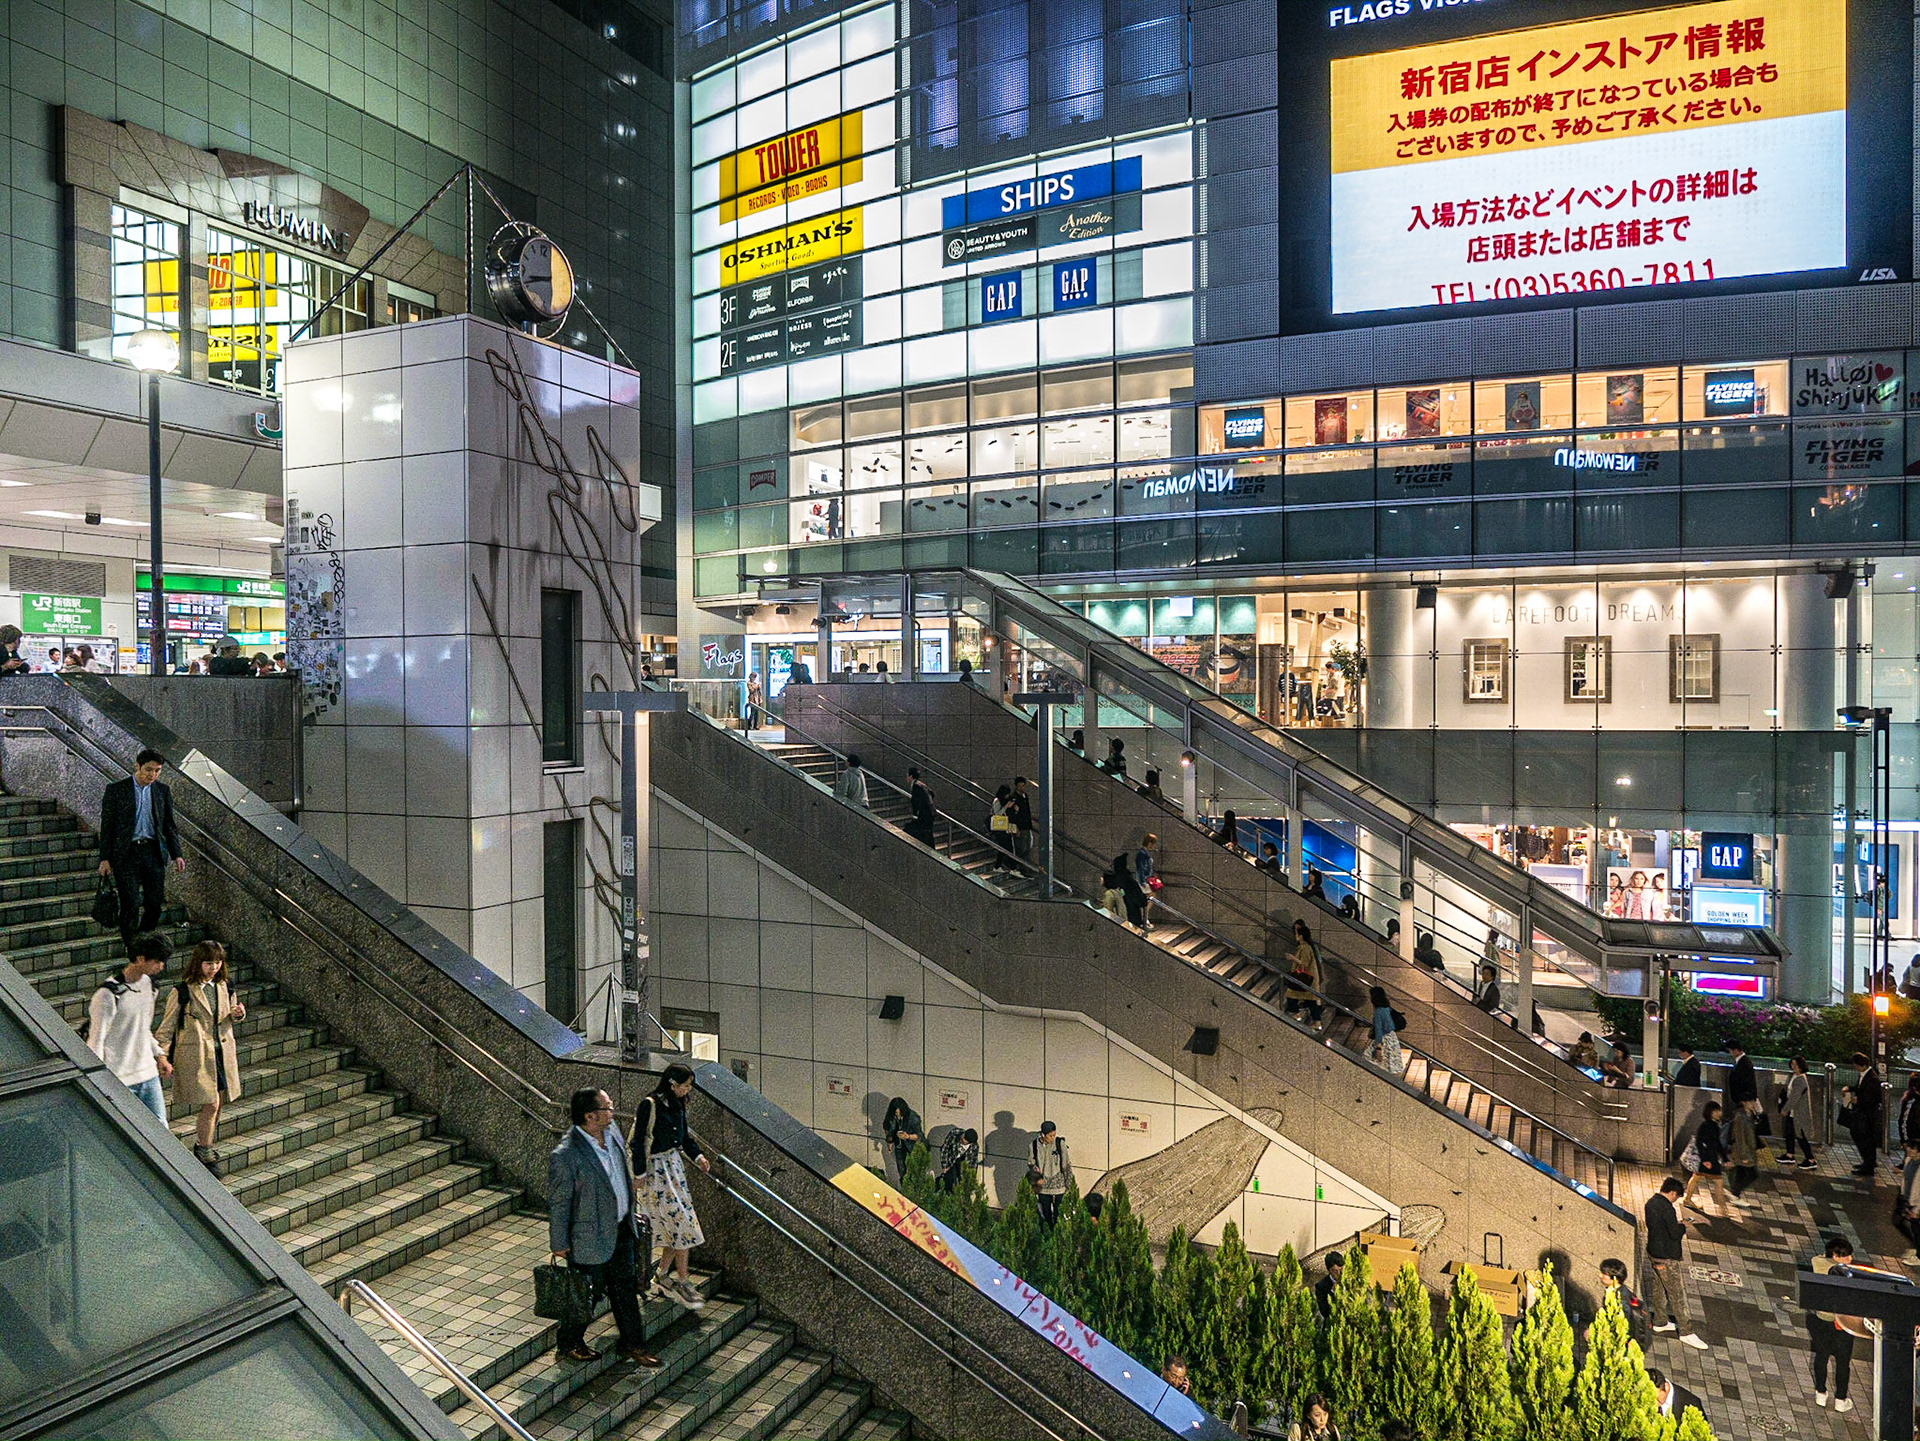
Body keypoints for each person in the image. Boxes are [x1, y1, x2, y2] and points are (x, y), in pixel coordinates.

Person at [548, 1087, 661, 1366]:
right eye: (607, 1108)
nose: (612, 1112)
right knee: (588, 1293)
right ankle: (569, 1342)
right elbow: (560, 1202)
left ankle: (634, 1345)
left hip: (622, 1227)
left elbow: (621, 1174)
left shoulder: (612, 1134)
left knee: (625, 1290)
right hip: (589, 1236)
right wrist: (559, 1242)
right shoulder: (567, 1154)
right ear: (590, 1116)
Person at [154, 940, 245, 1175]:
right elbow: (167, 1027)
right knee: (211, 1103)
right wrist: (161, 1056)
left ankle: (206, 1144)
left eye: (217, 962)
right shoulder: (183, 990)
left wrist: (238, 1014)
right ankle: (204, 1148)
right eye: (208, 963)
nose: (213, 967)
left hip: (222, 1052)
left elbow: (228, 1015)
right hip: (197, 1054)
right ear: (198, 963)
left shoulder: (225, 986)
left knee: (218, 1103)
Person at [631, 1063, 711, 1312]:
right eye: (685, 1085)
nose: (688, 1090)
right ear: (672, 1083)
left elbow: (684, 1136)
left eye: (689, 1086)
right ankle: (682, 1282)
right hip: (655, 1172)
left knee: (673, 1228)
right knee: (682, 1225)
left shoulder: (678, 1105)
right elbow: (638, 1140)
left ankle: (663, 1274)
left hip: (674, 1167)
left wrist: (698, 1157)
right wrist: (639, 1173)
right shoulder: (650, 1104)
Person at [98, 747, 185, 956]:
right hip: (126, 854)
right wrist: (105, 859)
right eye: (148, 770)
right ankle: (132, 946)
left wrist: (177, 854)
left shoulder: (162, 791)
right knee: (130, 902)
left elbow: (168, 825)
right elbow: (107, 826)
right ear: (137, 766)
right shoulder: (117, 790)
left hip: (153, 852)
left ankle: (143, 940)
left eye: (157, 771)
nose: (152, 775)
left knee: (154, 904)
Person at [85, 931, 174, 1122]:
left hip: (147, 1072)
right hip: (119, 1077)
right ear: (140, 959)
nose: (161, 966)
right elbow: (96, 1039)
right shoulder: (108, 994)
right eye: (157, 961)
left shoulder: (150, 986)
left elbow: (142, 1028)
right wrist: (99, 1079)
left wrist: (159, 1055)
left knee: (160, 1129)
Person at [1643, 1177, 1708, 1350]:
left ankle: (1660, 1320)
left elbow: (1659, 1227)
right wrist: (1683, 1225)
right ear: (1672, 1192)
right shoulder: (1667, 1208)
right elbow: (1674, 1233)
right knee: (1676, 1294)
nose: (1676, 1199)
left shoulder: (1651, 1203)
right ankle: (1686, 1332)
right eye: (1676, 1197)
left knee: (1659, 1288)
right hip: (1666, 1256)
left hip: (1653, 1251)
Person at [1806, 1236, 1858, 1413]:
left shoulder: (1818, 1264)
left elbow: (1817, 1257)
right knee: (1843, 1362)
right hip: (1841, 1323)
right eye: (1845, 1256)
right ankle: (1840, 1400)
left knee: (1821, 1356)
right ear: (1835, 1255)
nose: (1849, 1260)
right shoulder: (1844, 1274)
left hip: (1821, 1319)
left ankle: (1821, 1393)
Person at [1682, 1100, 1732, 1214]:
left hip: (1706, 1159)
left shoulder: (1713, 1125)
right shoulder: (1708, 1126)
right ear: (1712, 1112)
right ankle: (1723, 1209)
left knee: (1696, 1178)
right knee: (1719, 1182)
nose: (1720, 1112)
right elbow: (1701, 1143)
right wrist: (1706, 1160)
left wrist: (1724, 1158)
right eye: (1717, 1111)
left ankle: (1687, 1199)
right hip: (1708, 1160)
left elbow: (1717, 1143)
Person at [1598, 1257, 1652, 1350]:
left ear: (1615, 1277)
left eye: (1604, 1274)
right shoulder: (1620, 1290)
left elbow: (1622, 1324)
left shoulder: (1620, 1298)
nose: (1600, 1275)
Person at [1849, 1051, 1884, 1176]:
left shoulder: (1872, 1078)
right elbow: (1859, 1088)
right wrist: (1849, 1088)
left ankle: (1868, 1165)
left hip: (1868, 1114)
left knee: (1864, 1138)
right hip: (1864, 1113)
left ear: (1862, 1065)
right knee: (1864, 1138)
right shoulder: (1865, 1074)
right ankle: (1868, 1162)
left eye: (1856, 1065)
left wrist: (1859, 1099)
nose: (1855, 1068)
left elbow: (1874, 1097)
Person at [1029, 1121, 1070, 1224]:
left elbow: (1066, 1165)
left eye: (1054, 1135)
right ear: (1043, 1134)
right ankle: (1048, 1233)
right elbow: (1031, 1163)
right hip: (1043, 1186)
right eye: (1050, 1136)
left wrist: (1069, 1184)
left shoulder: (1060, 1144)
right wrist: (1034, 1169)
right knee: (1045, 1213)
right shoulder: (1033, 1145)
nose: (1052, 1138)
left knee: (1059, 1214)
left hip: (1059, 1185)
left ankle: (1057, 1233)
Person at [1782, 1054, 1817, 1169]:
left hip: (1798, 1112)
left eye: (1795, 1065)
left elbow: (1794, 1097)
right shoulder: (1795, 1076)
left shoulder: (1800, 1079)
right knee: (1790, 1133)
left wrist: (1785, 1109)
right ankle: (1789, 1154)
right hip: (1793, 1112)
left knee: (1800, 1135)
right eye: (1792, 1064)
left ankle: (1810, 1159)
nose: (1793, 1067)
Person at [1287, 919, 1325, 1023]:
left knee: (1292, 995)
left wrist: (1292, 958)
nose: (1295, 935)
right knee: (1310, 1000)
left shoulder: (1305, 948)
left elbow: (1304, 963)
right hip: (1307, 979)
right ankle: (1316, 1022)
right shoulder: (1305, 946)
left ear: (1301, 936)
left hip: (1306, 979)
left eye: (1297, 933)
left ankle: (1297, 1015)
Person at [883, 1096, 924, 1183]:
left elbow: (919, 1136)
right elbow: (887, 1127)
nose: (896, 1114)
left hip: (912, 1146)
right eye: (895, 1112)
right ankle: (903, 1187)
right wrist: (889, 1141)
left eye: (897, 1112)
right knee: (901, 1170)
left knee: (914, 1172)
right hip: (899, 1145)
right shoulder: (891, 1117)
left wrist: (908, 1136)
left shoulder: (913, 1117)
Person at [1368, 985, 1403, 1074]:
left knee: (1370, 1060)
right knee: (1390, 1063)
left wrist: (1378, 1047)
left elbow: (1379, 1030)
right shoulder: (1387, 1008)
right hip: (1392, 1037)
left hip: (1385, 1039)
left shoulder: (1378, 1012)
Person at [1109, 852, 1148, 930]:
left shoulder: (1119, 877)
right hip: (1134, 906)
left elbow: (1121, 891)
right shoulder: (1128, 876)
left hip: (1127, 906)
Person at [1722, 1037, 1758, 1117]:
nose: (1730, 1053)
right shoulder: (1741, 1062)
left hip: (1743, 1100)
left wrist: (1743, 1099)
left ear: (1735, 1050)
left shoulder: (1744, 1063)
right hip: (1741, 1099)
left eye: (1730, 1051)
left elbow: (1747, 1082)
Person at [937, 1126, 979, 1191]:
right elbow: (945, 1148)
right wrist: (945, 1166)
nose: (962, 1139)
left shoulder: (974, 1147)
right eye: (962, 1138)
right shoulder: (955, 1133)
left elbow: (974, 1163)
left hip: (964, 1161)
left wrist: (971, 1177)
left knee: (961, 1183)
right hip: (952, 1159)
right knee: (948, 1178)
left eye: (964, 1141)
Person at [905, 767, 937, 846]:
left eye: (907, 776)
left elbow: (916, 802)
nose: (906, 778)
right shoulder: (922, 784)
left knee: (922, 831)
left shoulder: (916, 786)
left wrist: (915, 815)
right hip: (931, 811)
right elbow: (932, 794)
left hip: (925, 813)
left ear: (911, 776)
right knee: (928, 832)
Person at [1133, 834, 1160, 922]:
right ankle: (1144, 917)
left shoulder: (1143, 853)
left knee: (1148, 898)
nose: (1154, 846)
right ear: (1149, 843)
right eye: (1153, 844)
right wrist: (1142, 882)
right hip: (1143, 880)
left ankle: (1144, 917)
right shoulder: (1142, 854)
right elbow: (1140, 868)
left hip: (1144, 879)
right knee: (1151, 896)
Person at [1009, 776, 1035, 862]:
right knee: (1021, 848)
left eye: (1023, 786)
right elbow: (1012, 815)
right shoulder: (1014, 797)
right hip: (1020, 827)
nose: (1022, 788)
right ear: (1016, 786)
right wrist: (1016, 828)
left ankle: (1025, 867)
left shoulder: (1025, 796)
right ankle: (1020, 867)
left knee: (1028, 847)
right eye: (1020, 786)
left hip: (1027, 825)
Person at [1313, 1252, 1343, 1318]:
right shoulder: (1321, 1286)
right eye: (1335, 1271)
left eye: (1341, 1270)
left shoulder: (1351, 1280)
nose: (1339, 1274)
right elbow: (1325, 1312)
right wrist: (1333, 1292)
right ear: (1328, 1270)